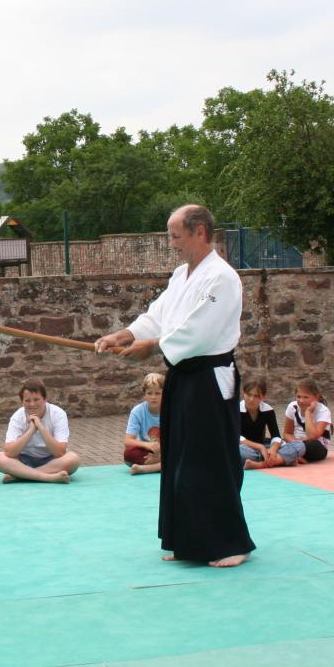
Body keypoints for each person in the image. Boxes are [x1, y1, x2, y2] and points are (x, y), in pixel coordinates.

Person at [95, 204, 255, 568]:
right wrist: (127, 333)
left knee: (211, 460)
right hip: (182, 376)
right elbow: (158, 315)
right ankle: (189, 539)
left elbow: (200, 330)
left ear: (199, 231)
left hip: (211, 378)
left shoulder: (223, 278)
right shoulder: (182, 275)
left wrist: (152, 347)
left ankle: (232, 542)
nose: (171, 244)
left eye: (175, 235)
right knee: (181, 459)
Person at [0, 378, 82, 483]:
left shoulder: (58, 414)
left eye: (36, 399)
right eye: (27, 401)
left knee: (73, 459)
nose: (32, 404)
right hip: (23, 460)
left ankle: (20, 475)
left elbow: (59, 452)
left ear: (45, 399)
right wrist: (32, 430)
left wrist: (40, 427)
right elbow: (10, 452)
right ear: (22, 402)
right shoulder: (18, 416)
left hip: (51, 460)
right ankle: (49, 477)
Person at [239, 376, 300, 469]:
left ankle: (261, 463)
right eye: (249, 394)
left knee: (299, 445)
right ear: (243, 392)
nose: (251, 399)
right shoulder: (236, 410)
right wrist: (260, 447)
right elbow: (237, 437)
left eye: (256, 396)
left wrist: (273, 449)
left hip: (264, 446)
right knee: (237, 451)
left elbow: (276, 436)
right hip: (245, 447)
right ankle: (280, 460)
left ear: (263, 396)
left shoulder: (268, 410)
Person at [282, 378, 332, 463]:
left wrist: (308, 413)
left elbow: (313, 437)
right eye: (298, 397)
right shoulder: (292, 407)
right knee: (274, 442)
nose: (301, 401)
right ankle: (294, 456)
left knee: (313, 445)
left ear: (316, 397)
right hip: (296, 442)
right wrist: (296, 443)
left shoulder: (323, 411)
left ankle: (288, 456)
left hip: (315, 446)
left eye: (306, 397)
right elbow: (287, 433)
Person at [123, 372, 164, 474]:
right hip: (148, 450)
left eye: (157, 393)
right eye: (149, 393)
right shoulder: (138, 411)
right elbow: (128, 441)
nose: (153, 397)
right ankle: (162, 465)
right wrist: (148, 445)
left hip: (168, 450)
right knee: (129, 454)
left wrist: (160, 454)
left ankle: (147, 468)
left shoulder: (172, 409)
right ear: (144, 394)